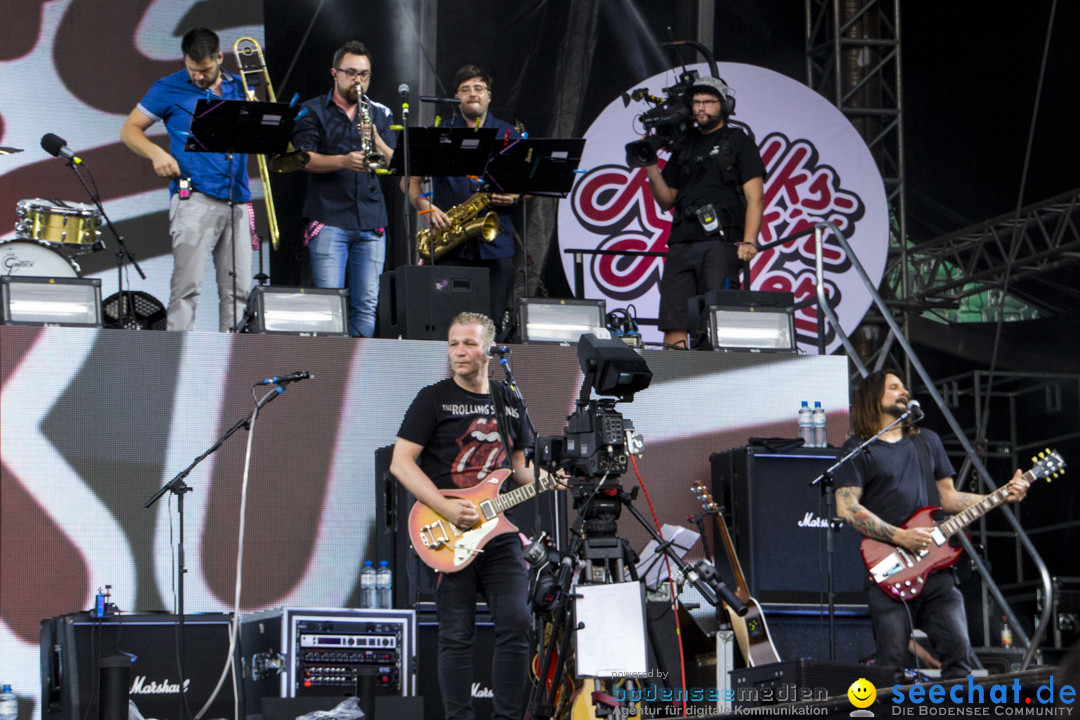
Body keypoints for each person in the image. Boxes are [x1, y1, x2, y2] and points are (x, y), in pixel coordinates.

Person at [835, 370, 1029, 679]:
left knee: (958, 655)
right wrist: (902, 536)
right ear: (873, 397)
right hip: (889, 570)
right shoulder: (858, 449)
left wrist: (1001, 496)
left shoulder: (927, 441)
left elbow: (949, 498)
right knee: (890, 667)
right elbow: (847, 508)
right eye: (893, 387)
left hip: (938, 571)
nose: (903, 391)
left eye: (904, 387)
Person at [391, 312, 533, 720]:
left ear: (489, 350)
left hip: (498, 531)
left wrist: (556, 479)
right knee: (456, 635)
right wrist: (445, 506)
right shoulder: (432, 398)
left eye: (468, 344)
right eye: (453, 344)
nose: (458, 352)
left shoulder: (509, 399)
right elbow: (402, 464)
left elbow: (520, 469)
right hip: (447, 529)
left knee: (518, 623)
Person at [120, 27, 252, 332]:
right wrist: (156, 154)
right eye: (193, 70)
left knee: (240, 292)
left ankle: (234, 361)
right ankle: (179, 357)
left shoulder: (242, 86)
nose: (199, 77)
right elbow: (129, 129)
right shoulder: (168, 87)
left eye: (205, 70)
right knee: (186, 289)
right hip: (194, 198)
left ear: (220, 57)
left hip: (238, 197)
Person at [643, 75, 765, 349]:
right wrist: (650, 164)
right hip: (681, 242)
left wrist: (749, 241)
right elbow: (666, 200)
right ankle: (675, 381)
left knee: (716, 318)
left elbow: (755, 196)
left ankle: (713, 380)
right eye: (697, 102)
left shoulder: (738, 141)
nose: (702, 107)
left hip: (720, 242)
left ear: (724, 105)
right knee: (673, 319)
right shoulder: (684, 145)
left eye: (709, 101)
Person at [292, 41, 396, 337]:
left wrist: (376, 139)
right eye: (350, 73)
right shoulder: (311, 111)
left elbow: (395, 162)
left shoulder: (380, 112)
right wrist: (342, 160)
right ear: (334, 73)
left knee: (366, 305)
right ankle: (332, 374)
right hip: (329, 219)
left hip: (371, 219)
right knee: (329, 304)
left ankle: (357, 373)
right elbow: (303, 159)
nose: (358, 80)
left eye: (364, 74)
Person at [407, 65, 520, 331]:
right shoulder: (440, 135)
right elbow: (410, 183)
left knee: (492, 323)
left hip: (497, 244)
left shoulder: (508, 135)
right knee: (446, 322)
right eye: (465, 89)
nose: (472, 94)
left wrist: (514, 195)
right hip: (451, 242)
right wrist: (425, 206)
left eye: (478, 88)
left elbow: (525, 185)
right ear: (456, 97)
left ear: (489, 96)